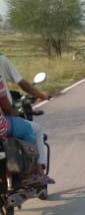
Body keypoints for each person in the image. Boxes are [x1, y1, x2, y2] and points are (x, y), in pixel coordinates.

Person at [0, 53, 53, 183]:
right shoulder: (2, 59)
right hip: (3, 123)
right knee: (34, 130)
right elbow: (7, 99)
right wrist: (12, 111)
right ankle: (35, 171)